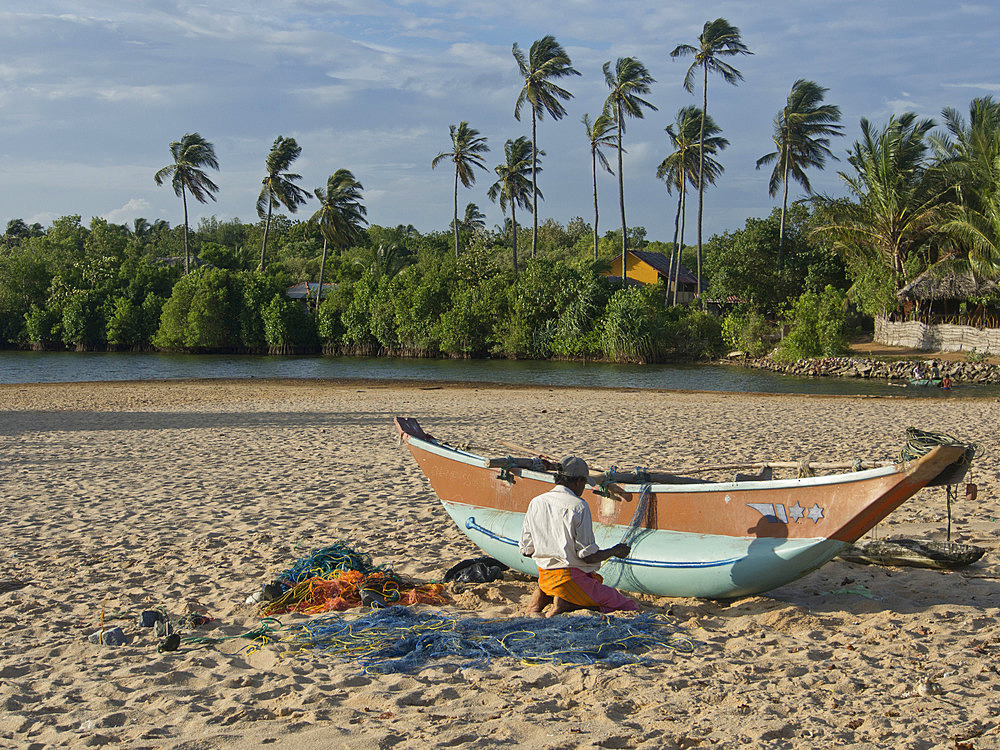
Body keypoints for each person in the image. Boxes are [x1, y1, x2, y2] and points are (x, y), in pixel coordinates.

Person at [519, 455, 639, 617]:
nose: (583, 488)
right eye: (583, 483)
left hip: (544, 579)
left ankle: (549, 602)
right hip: (570, 581)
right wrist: (614, 551)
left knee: (585, 582)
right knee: (628, 606)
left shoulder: (536, 502)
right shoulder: (578, 506)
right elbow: (588, 557)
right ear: (578, 481)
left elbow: (526, 550)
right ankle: (570, 605)